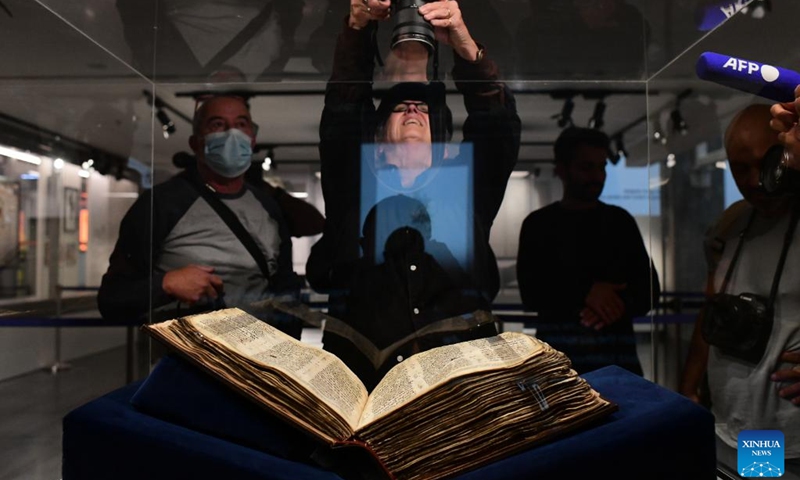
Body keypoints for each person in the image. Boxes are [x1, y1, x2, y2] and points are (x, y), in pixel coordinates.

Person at [306, 0, 521, 389]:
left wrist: (465, 46)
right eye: (400, 108)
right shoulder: (354, 188)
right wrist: (358, 29)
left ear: (443, 146)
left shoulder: (465, 193)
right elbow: (343, 111)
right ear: (377, 142)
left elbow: (496, 124)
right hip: (363, 379)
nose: (412, 111)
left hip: (461, 378)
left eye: (423, 109)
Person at [98, 95, 302, 334]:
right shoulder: (161, 204)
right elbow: (112, 299)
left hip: (257, 351)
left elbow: (285, 290)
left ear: (252, 139)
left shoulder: (267, 206)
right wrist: (166, 284)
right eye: (217, 124)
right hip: (184, 353)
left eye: (241, 124)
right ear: (196, 143)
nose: (232, 134)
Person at [680, 104, 800, 476]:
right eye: (739, 168)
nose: (754, 181)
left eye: (766, 163)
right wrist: (688, 391)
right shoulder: (730, 224)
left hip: (790, 437)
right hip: (731, 426)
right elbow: (712, 311)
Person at [516, 127, 660, 376]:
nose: (597, 176)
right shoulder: (539, 225)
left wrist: (608, 303)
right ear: (562, 170)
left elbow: (649, 290)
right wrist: (589, 293)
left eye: (601, 167)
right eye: (587, 167)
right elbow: (531, 293)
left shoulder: (620, 221)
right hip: (560, 365)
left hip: (617, 361)